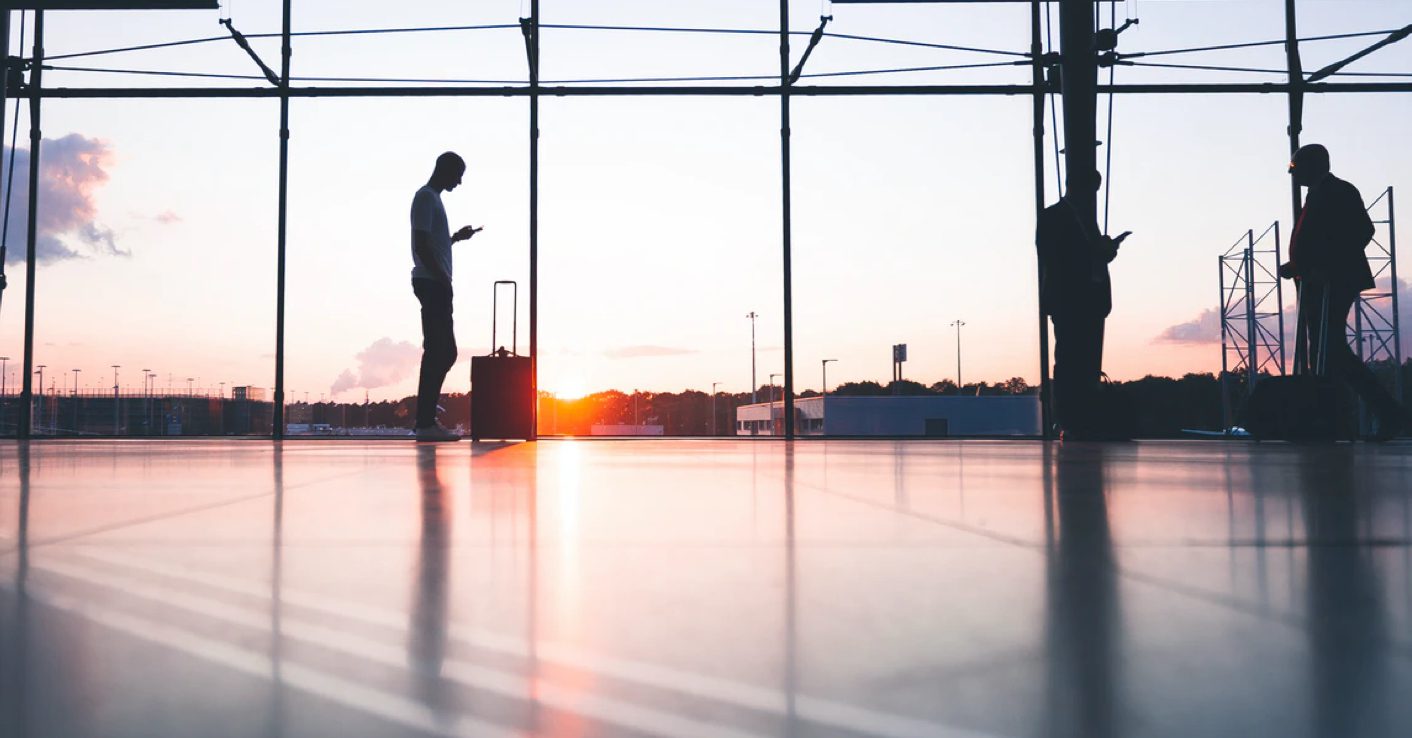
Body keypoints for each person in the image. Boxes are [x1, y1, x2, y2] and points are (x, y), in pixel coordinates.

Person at [1279, 144, 1408, 441]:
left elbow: (1362, 230)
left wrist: (1325, 265)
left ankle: (1382, 413)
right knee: (1325, 350)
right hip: (1316, 280)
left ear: (1315, 165)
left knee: (1330, 349)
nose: (1293, 175)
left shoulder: (1339, 191)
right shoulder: (1318, 195)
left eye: (1296, 168)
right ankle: (1337, 416)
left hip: (1332, 281)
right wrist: (1299, 264)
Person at [1037, 170, 1128, 439]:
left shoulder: (1064, 217)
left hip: (1082, 300)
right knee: (1069, 360)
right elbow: (1056, 259)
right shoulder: (1057, 217)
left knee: (1076, 360)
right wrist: (1100, 252)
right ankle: (1070, 419)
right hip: (1072, 300)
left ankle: (1075, 418)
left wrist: (1101, 251)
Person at [410, 152, 481, 442]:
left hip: (434, 281)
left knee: (442, 351)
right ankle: (425, 422)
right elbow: (421, 245)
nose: (460, 181)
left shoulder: (432, 199)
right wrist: (441, 277)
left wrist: (454, 239)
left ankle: (426, 420)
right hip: (432, 282)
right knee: (439, 352)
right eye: (458, 174)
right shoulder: (426, 197)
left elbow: (431, 243)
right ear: (445, 169)